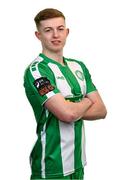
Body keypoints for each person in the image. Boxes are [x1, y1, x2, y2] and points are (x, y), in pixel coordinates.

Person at [23, 8, 107, 180]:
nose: (55, 35)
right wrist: (84, 102)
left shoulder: (79, 67)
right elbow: (68, 114)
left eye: (60, 29)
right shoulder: (37, 70)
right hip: (51, 168)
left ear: (67, 32)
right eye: (48, 30)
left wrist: (71, 106)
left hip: (78, 164)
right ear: (38, 35)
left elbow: (102, 110)